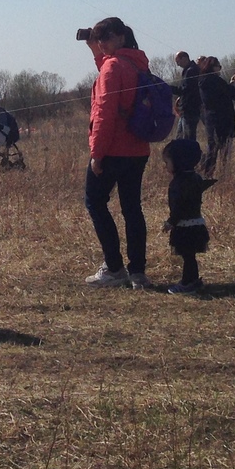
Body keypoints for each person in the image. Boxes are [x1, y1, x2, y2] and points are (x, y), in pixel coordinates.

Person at [81, 16, 154, 290]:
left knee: (95, 202)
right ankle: (138, 272)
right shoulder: (137, 62)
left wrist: (97, 154)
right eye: (98, 38)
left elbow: (104, 113)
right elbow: (113, 70)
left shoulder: (112, 68)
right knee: (132, 208)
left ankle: (114, 268)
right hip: (138, 149)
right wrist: (95, 52)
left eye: (106, 37)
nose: (101, 42)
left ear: (120, 37)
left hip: (113, 150)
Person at [162, 137, 215, 295]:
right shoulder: (195, 178)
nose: (166, 166)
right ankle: (193, 280)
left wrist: (171, 222)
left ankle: (188, 283)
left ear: (178, 162)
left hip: (185, 227)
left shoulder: (178, 183)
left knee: (188, 257)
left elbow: (179, 207)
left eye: (167, 162)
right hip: (197, 223)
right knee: (190, 256)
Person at [198, 59, 235, 178]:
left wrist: (230, 85)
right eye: (219, 66)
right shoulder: (216, 80)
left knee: (212, 149)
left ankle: (208, 175)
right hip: (223, 121)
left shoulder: (202, 81)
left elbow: (223, 93)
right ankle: (224, 175)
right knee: (224, 151)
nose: (220, 69)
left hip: (210, 121)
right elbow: (234, 94)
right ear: (213, 67)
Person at [174, 52, 202, 141]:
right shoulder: (188, 70)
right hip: (185, 110)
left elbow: (185, 90)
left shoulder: (191, 70)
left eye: (178, 61)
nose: (177, 64)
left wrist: (167, 88)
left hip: (190, 109)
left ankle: (190, 154)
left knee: (188, 137)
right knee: (180, 137)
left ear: (184, 58)